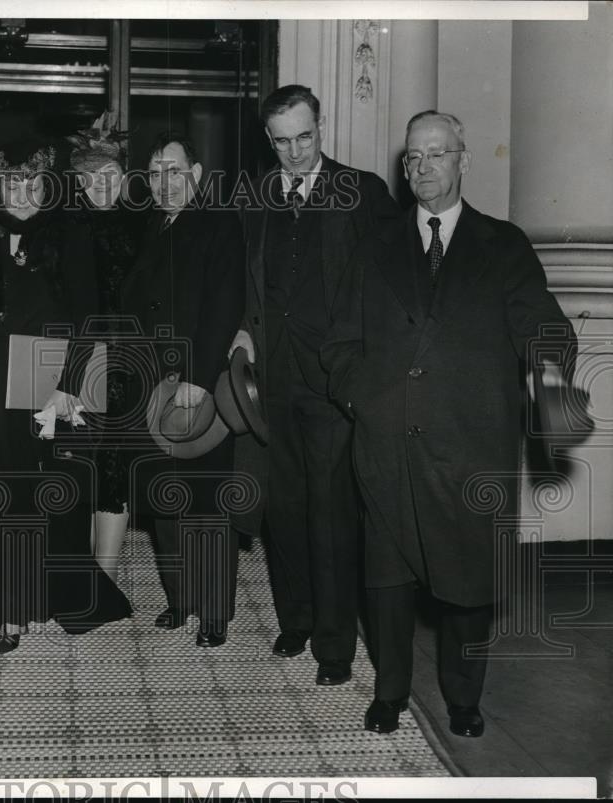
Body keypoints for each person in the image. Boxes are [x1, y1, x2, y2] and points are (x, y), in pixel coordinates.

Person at [321, 110, 575, 737]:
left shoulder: (503, 244)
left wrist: (547, 372)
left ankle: (464, 698)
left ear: (464, 159)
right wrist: (363, 399)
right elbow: (338, 344)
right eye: (413, 157)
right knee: (387, 580)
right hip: (386, 443)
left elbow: (544, 327)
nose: (423, 167)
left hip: (470, 445)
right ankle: (389, 692)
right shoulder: (376, 244)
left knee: (468, 583)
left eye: (437, 154)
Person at [229, 84, 400, 685]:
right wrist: (242, 334)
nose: (296, 153)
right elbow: (244, 283)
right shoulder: (253, 196)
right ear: (269, 140)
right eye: (282, 142)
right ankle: (295, 620)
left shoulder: (363, 192)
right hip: (272, 378)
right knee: (284, 509)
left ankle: (334, 648)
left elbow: (389, 286)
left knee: (332, 514)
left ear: (320, 127)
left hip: (334, 382)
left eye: (305, 137)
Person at [0, 137, 132, 653]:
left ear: (47, 187)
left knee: (55, 495)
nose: (21, 194)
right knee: (7, 494)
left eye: (32, 183)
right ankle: (12, 612)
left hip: (53, 374)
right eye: (11, 183)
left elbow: (89, 316)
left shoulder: (69, 234)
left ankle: (62, 596)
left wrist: (68, 386)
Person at [120, 132, 246, 647]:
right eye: (155, 173)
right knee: (165, 497)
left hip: (197, 384)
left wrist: (197, 377)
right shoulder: (148, 227)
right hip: (152, 387)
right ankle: (180, 601)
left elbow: (224, 305)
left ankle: (214, 611)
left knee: (207, 502)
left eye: (174, 172)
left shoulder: (218, 224)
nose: (164, 183)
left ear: (195, 176)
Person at [46, 113, 144, 582]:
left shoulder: (144, 225)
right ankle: (79, 573)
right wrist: (65, 376)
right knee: (77, 465)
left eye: (109, 174)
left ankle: (104, 577)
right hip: (75, 362)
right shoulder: (62, 227)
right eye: (89, 176)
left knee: (115, 469)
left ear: (123, 176)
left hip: (129, 364)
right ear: (77, 180)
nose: (100, 184)